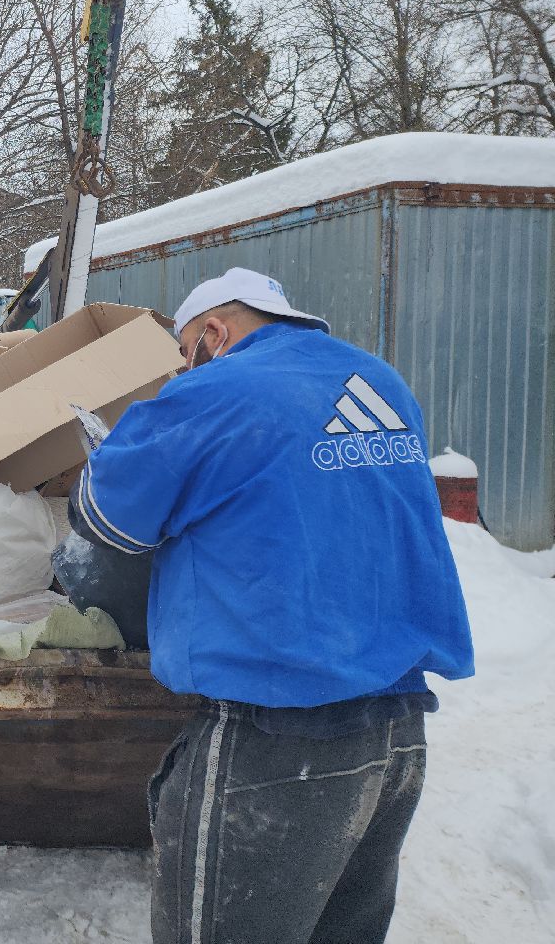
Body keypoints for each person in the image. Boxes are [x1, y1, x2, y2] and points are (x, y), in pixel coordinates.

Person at [63, 267, 474, 944]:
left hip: (274, 744)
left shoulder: (216, 389)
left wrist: (113, 454)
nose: (184, 368)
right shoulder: (380, 381)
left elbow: (107, 523)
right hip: (397, 734)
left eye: (184, 352)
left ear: (214, 332)